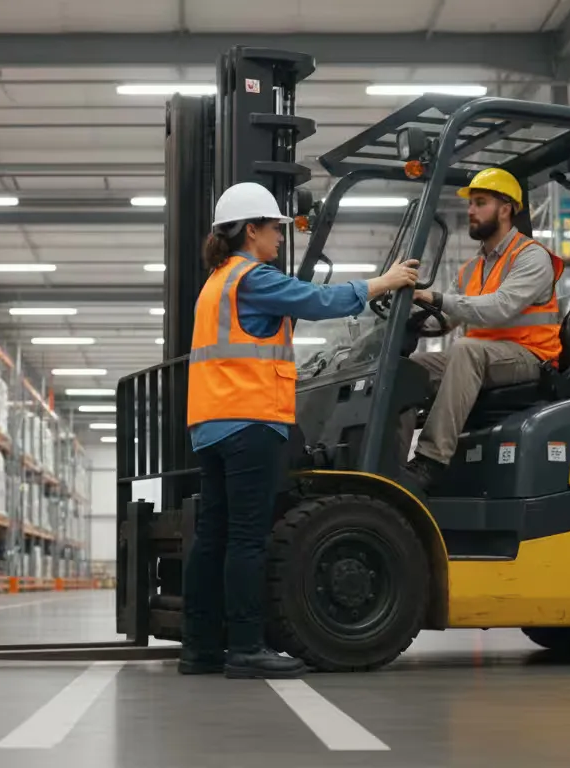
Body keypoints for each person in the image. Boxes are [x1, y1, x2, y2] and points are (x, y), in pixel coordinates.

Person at [180, 181, 420, 679]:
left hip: (212, 425)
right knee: (247, 538)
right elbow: (317, 301)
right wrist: (385, 282)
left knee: (214, 537)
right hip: (250, 421)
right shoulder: (252, 277)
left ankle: (201, 648)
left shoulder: (216, 282)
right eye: (274, 229)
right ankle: (245, 647)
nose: (279, 239)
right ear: (251, 230)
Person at [400, 167, 565, 489]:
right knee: (406, 369)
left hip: (530, 356)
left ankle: (431, 461)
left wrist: (437, 297)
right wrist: (411, 316)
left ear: (505, 209)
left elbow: (499, 308)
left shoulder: (530, 257)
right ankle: (388, 464)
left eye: (480, 203)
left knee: (466, 350)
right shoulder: (471, 268)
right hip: (484, 357)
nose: (470, 211)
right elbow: (445, 319)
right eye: (470, 204)